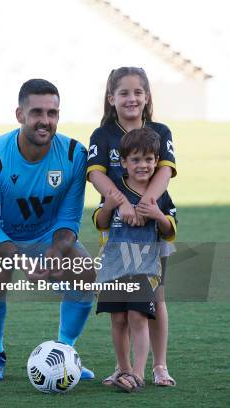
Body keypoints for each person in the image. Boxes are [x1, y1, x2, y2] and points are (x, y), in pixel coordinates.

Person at [0, 79, 96, 382]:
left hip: (46, 235)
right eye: (37, 112)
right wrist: (23, 262)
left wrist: (54, 252)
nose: (45, 121)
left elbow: (69, 219)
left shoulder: (75, 154)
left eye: (52, 113)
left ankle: (64, 353)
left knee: (85, 271)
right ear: (20, 114)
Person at [87, 67, 177, 386]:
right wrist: (121, 203)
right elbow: (96, 174)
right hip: (118, 229)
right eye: (124, 93)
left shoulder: (160, 131)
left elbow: (165, 172)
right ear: (111, 98)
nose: (131, 98)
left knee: (156, 298)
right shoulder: (103, 134)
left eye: (138, 92)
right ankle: (123, 368)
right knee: (121, 309)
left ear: (147, 96)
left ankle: (159, 367)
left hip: (151, 224)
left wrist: (145, 205)